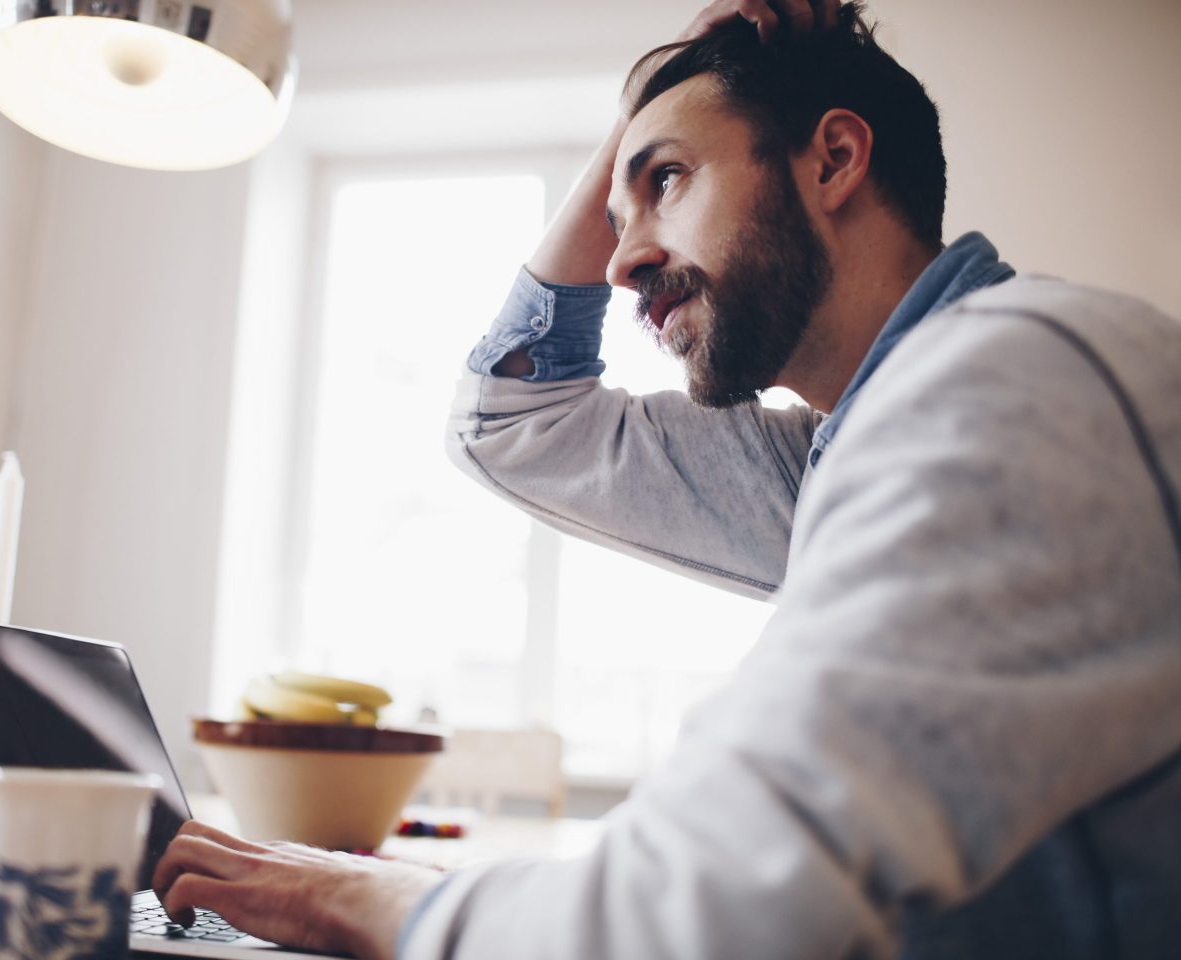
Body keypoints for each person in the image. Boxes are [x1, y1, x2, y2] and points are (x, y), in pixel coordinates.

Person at [152, 2, 1181, 957]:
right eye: (618, 202)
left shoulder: (1008, 384)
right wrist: (643, 121)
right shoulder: (840, 451)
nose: (621, 258)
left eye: (668, 181)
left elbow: (692, 919)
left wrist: (347, 894)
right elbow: (513, 423)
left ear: (833, 158)